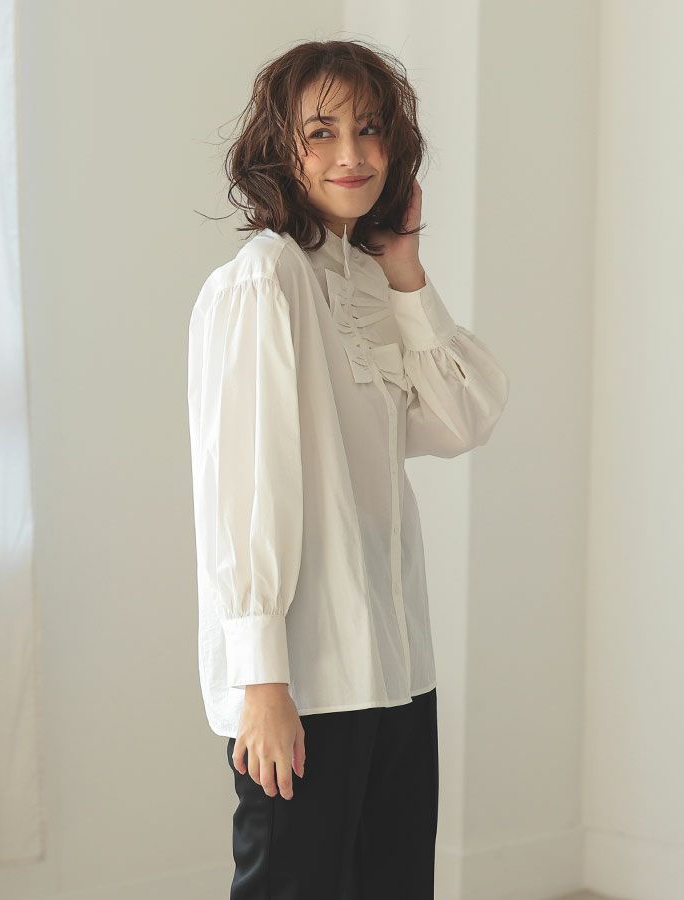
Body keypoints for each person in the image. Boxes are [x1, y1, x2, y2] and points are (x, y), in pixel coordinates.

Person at [187, 38, 510, 899]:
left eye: (370, 130)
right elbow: (245, 491)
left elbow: (462, 418)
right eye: (322, 132)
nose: (352, 154)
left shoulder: (369, 280)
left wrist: (406, 271)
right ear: (279, 148)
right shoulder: (264, 282)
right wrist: (262, 681)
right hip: (305, 677)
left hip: (396, 666)